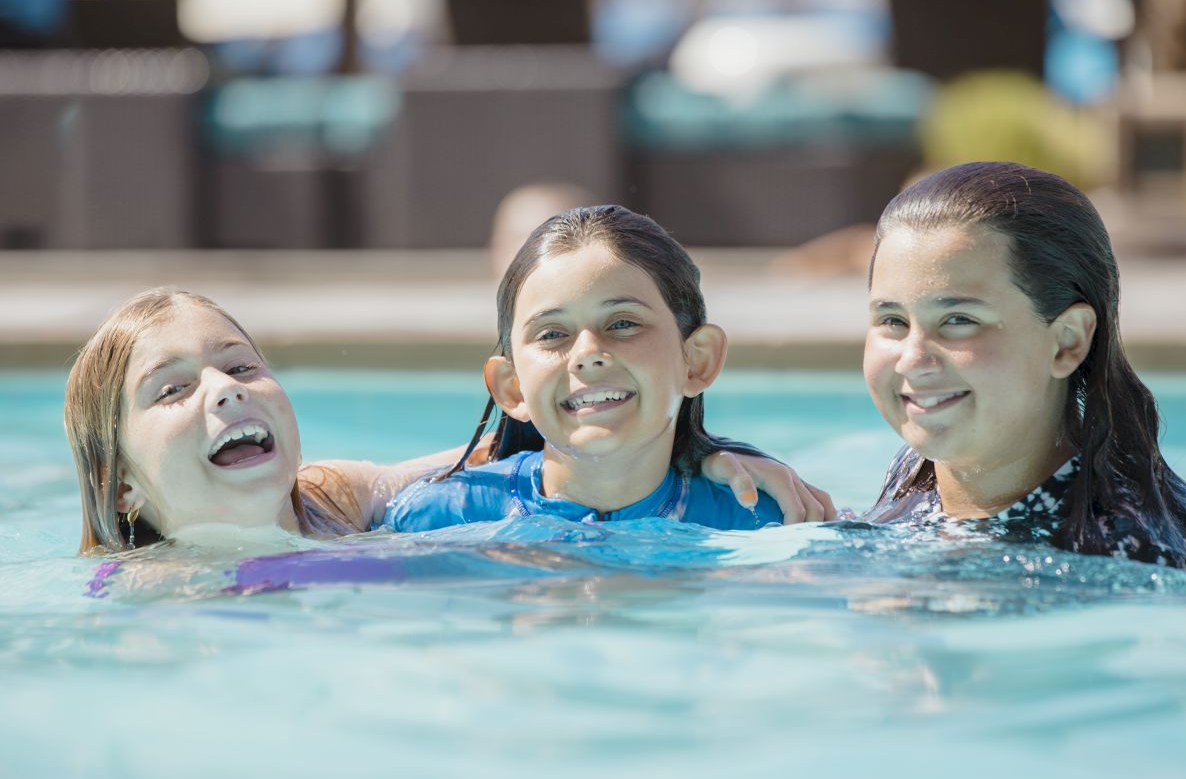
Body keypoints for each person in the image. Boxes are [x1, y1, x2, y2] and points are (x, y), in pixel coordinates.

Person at [67, 287, 821, 555]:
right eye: (171, 392)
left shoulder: (337, 503)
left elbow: (522, 442)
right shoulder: (136, 613)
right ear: (121, 484)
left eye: (240, 366)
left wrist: (702, 450)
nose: (223, 393)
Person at [380, 205, 836, 532]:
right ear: (512, 388)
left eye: (622, 323)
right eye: (552, 334)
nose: (587, 353)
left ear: (697, 359)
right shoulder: (439, 518)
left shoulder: (763, 520)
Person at [859, 161, 1186, 569]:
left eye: (959, 321)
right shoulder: (921, 470)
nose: (913, 360)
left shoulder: (1123, 554)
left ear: (1066, 343)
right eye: (893, 321)